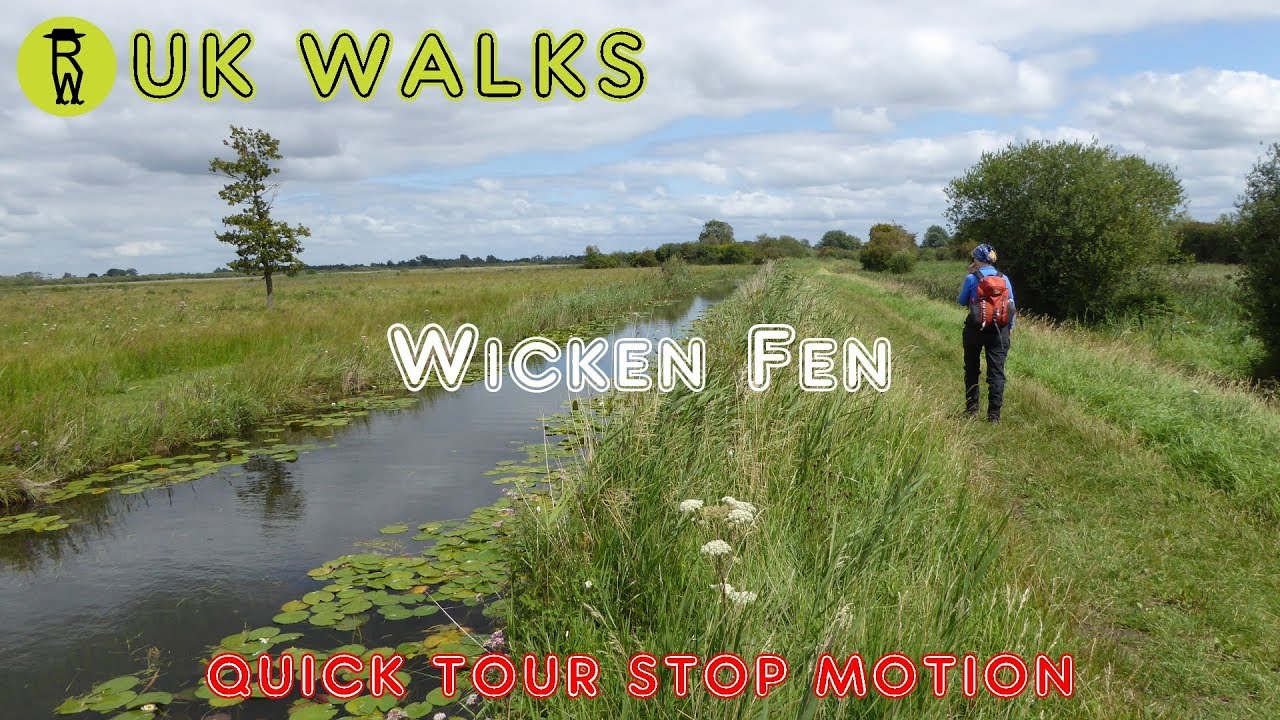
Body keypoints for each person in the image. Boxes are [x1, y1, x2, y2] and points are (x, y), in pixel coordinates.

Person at [956, 244, 1014, 422]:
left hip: (975, 329)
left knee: (972, 369)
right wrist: (1009, 328)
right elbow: (1011, 306)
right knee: (996, 373)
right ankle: (994, 416)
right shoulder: (1004, 278)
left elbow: (961, 301)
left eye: (974, 257)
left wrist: (970, 275)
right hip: (999, 330)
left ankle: (972, 410)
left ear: (978, 259)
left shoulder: (971, 278)